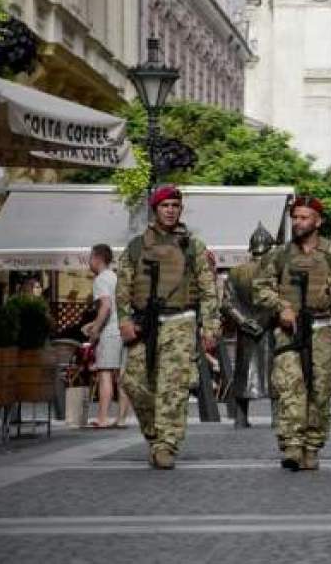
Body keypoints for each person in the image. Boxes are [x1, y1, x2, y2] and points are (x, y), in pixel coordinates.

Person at [253, 196, 331, 471]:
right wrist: (281, 307)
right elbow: (260, 288)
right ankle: (292, 445)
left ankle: (312, 445)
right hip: (288, 332)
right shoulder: (278, 255)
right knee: (289, 386)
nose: (298, 222)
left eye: (304, 217)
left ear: (318, 221)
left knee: (320, 389)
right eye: (295, 217)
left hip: (324, 330)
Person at [116, 185, 220, 469]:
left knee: (173, 388)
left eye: (175, 205)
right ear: (155, 209)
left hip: (180, 323)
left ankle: (167, 444)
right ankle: (154, 435)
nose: (171, 210)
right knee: (134, 383)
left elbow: (208, 288)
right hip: (143, 324)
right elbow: (123, 286)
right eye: (165, 206)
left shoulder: (192, 246)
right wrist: (123, 320)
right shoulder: (137, 246)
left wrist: (210, 325)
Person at [221, 223, 277, 428]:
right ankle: (277, 418)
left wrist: (244, 321)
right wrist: (263, 321)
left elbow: (227, 302)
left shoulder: (236, 272)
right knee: (274, 373)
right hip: (271, 328)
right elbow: (279, 298)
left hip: (246, 330)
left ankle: (241, 418)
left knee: (244, 372)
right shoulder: (275, 271)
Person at [82, 243, 130, 428]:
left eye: (90, 258)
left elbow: (106, 306)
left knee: (105, 374)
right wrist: (93, 324)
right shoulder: (115, 277)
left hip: (110, 333)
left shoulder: (101, 279)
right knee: (122, 376)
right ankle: (121, 418)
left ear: (96, 258)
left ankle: (102, 418)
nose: (89, 262)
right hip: (124, 331)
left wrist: (95, 330)